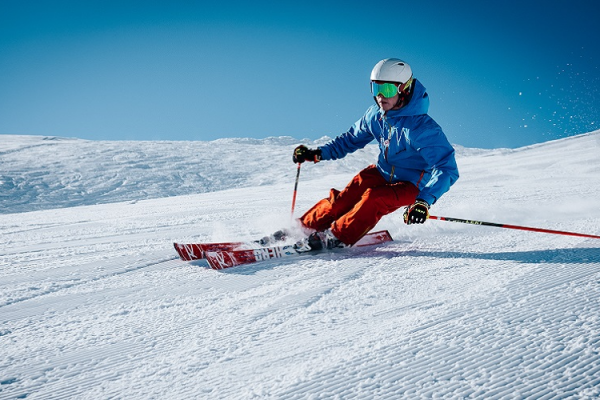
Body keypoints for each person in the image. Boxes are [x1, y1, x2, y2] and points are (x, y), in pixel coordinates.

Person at [292, 58, 459, 250]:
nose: (380, 96)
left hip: (413, 185)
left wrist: (424, 202)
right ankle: (301, 228)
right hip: (381, 172)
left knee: (375, 198)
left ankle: (336, 237)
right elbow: (349, 140)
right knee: (343, 200)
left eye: (387, 90)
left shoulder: (422, 128)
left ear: (404, 89)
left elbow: (446, 169)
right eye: (375, 89)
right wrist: (316, 153)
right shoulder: (375, 116)